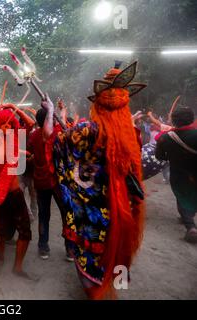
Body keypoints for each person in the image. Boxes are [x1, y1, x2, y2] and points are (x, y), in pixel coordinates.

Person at [49, 61, 146, 299]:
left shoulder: (85, 132)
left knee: (93, 259)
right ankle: (113, 285)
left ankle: (96, 291)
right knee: (117, 253)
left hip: (93, 213)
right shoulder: (132, 133)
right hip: (123, 207)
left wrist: (56, 118)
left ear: (98, 105)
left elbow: (59, 145)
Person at [0, 87, 34, 278]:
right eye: (3, 124)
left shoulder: (16, 140)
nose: (7, 127)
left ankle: (17, 267)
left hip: (15, 193)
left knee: (25, 233)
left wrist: (13, 108)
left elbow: (31, 122)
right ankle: (1, 260)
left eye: (10, 125)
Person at [27, 107, 70, 261]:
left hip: (40, 180)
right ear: (49, 119)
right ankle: (70, 248)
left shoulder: (33, 136)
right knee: (66, 213)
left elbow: (29, 152)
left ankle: (43, 247)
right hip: (58, 182)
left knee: (44, 215)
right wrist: (61, 112)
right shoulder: (57, 132)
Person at [155, 107, 197, 243]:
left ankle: (191, 227)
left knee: (182, 195)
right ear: (192, 119)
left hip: (179, 173)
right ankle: (187, 217)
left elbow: (159, 156)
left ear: (173, 120)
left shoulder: (165, 138)